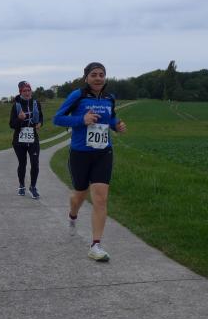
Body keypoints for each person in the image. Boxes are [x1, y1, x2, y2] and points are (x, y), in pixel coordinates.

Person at [53, 62, 127, 262]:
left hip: (103, 152)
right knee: (79, 194)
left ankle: (96, 245)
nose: (98, 78)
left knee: (101, 198)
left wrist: (117, 125)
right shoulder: (77, 96)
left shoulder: (109, 98)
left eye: (101, 74)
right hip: (80, 153)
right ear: (86, 77)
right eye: (94, 74)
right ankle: (73, 214)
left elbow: (111, 118)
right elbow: (57, 119)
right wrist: (81, 120)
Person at [9, 80, 43, 198]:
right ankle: (21, 185)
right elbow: (12, 124)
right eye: (24, 91)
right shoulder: (16, 105)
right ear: (20, 92)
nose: (27, 93)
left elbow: (41, 118)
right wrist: (19, 119)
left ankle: (33, 187)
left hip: (33, 138)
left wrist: (40, 123)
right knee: (22, 163)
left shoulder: (36, 103)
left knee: (35, 163)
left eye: (29, 90)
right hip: (19, 139)